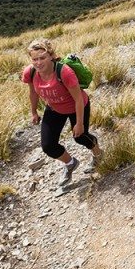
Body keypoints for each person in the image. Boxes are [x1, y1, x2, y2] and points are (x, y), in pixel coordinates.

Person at [22, 38, 102, 186]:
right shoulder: (31, 73)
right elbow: (33, 93)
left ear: (51, 56)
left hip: (76, 106)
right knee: (48, 146)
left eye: (42, 58)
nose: (38, 63)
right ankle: (70, 163)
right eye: (34, 59)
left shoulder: (64, 72)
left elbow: (78, 99)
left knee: (80, 137)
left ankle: (98, 154)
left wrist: (79, 123)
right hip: (54, 107)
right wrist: (34, 112)